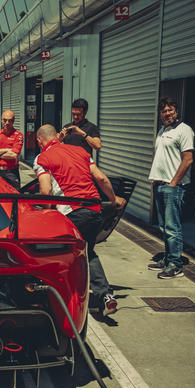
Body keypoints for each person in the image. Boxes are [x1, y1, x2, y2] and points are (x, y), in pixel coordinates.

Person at [34, 124, 126, 317]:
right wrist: (114, 199)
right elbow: (101, 178)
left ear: (40, 141)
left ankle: (62, 297)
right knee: (87, 252)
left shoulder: (42, 158)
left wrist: (46, 216)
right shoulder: (80, 151)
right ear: (56, 137)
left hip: (72, 213)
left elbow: (46, 191)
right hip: (95, 211)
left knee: (57, 252)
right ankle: (105, 295)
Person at [147, 98, 194, 279]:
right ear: (160, 114)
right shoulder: (163, 130)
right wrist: (155, 178)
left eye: (170, 110)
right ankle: (168, 259)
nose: (167, 114)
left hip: (173, 186)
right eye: (164, 111)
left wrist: (174, 182)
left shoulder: (184, 130)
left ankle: (176, 265)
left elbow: (188, 160)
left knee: (173, 228)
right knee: (164, 227)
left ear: (176, 111)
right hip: (160, 184)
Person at [0, 110, 24, 189]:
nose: (7, 123)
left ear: (13, 121)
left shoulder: (18, 135)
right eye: (5, 120)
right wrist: (7, 150)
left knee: (14, 194)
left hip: (11, 172)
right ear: (1, 120)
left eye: (10, 120)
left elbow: (13, 155)